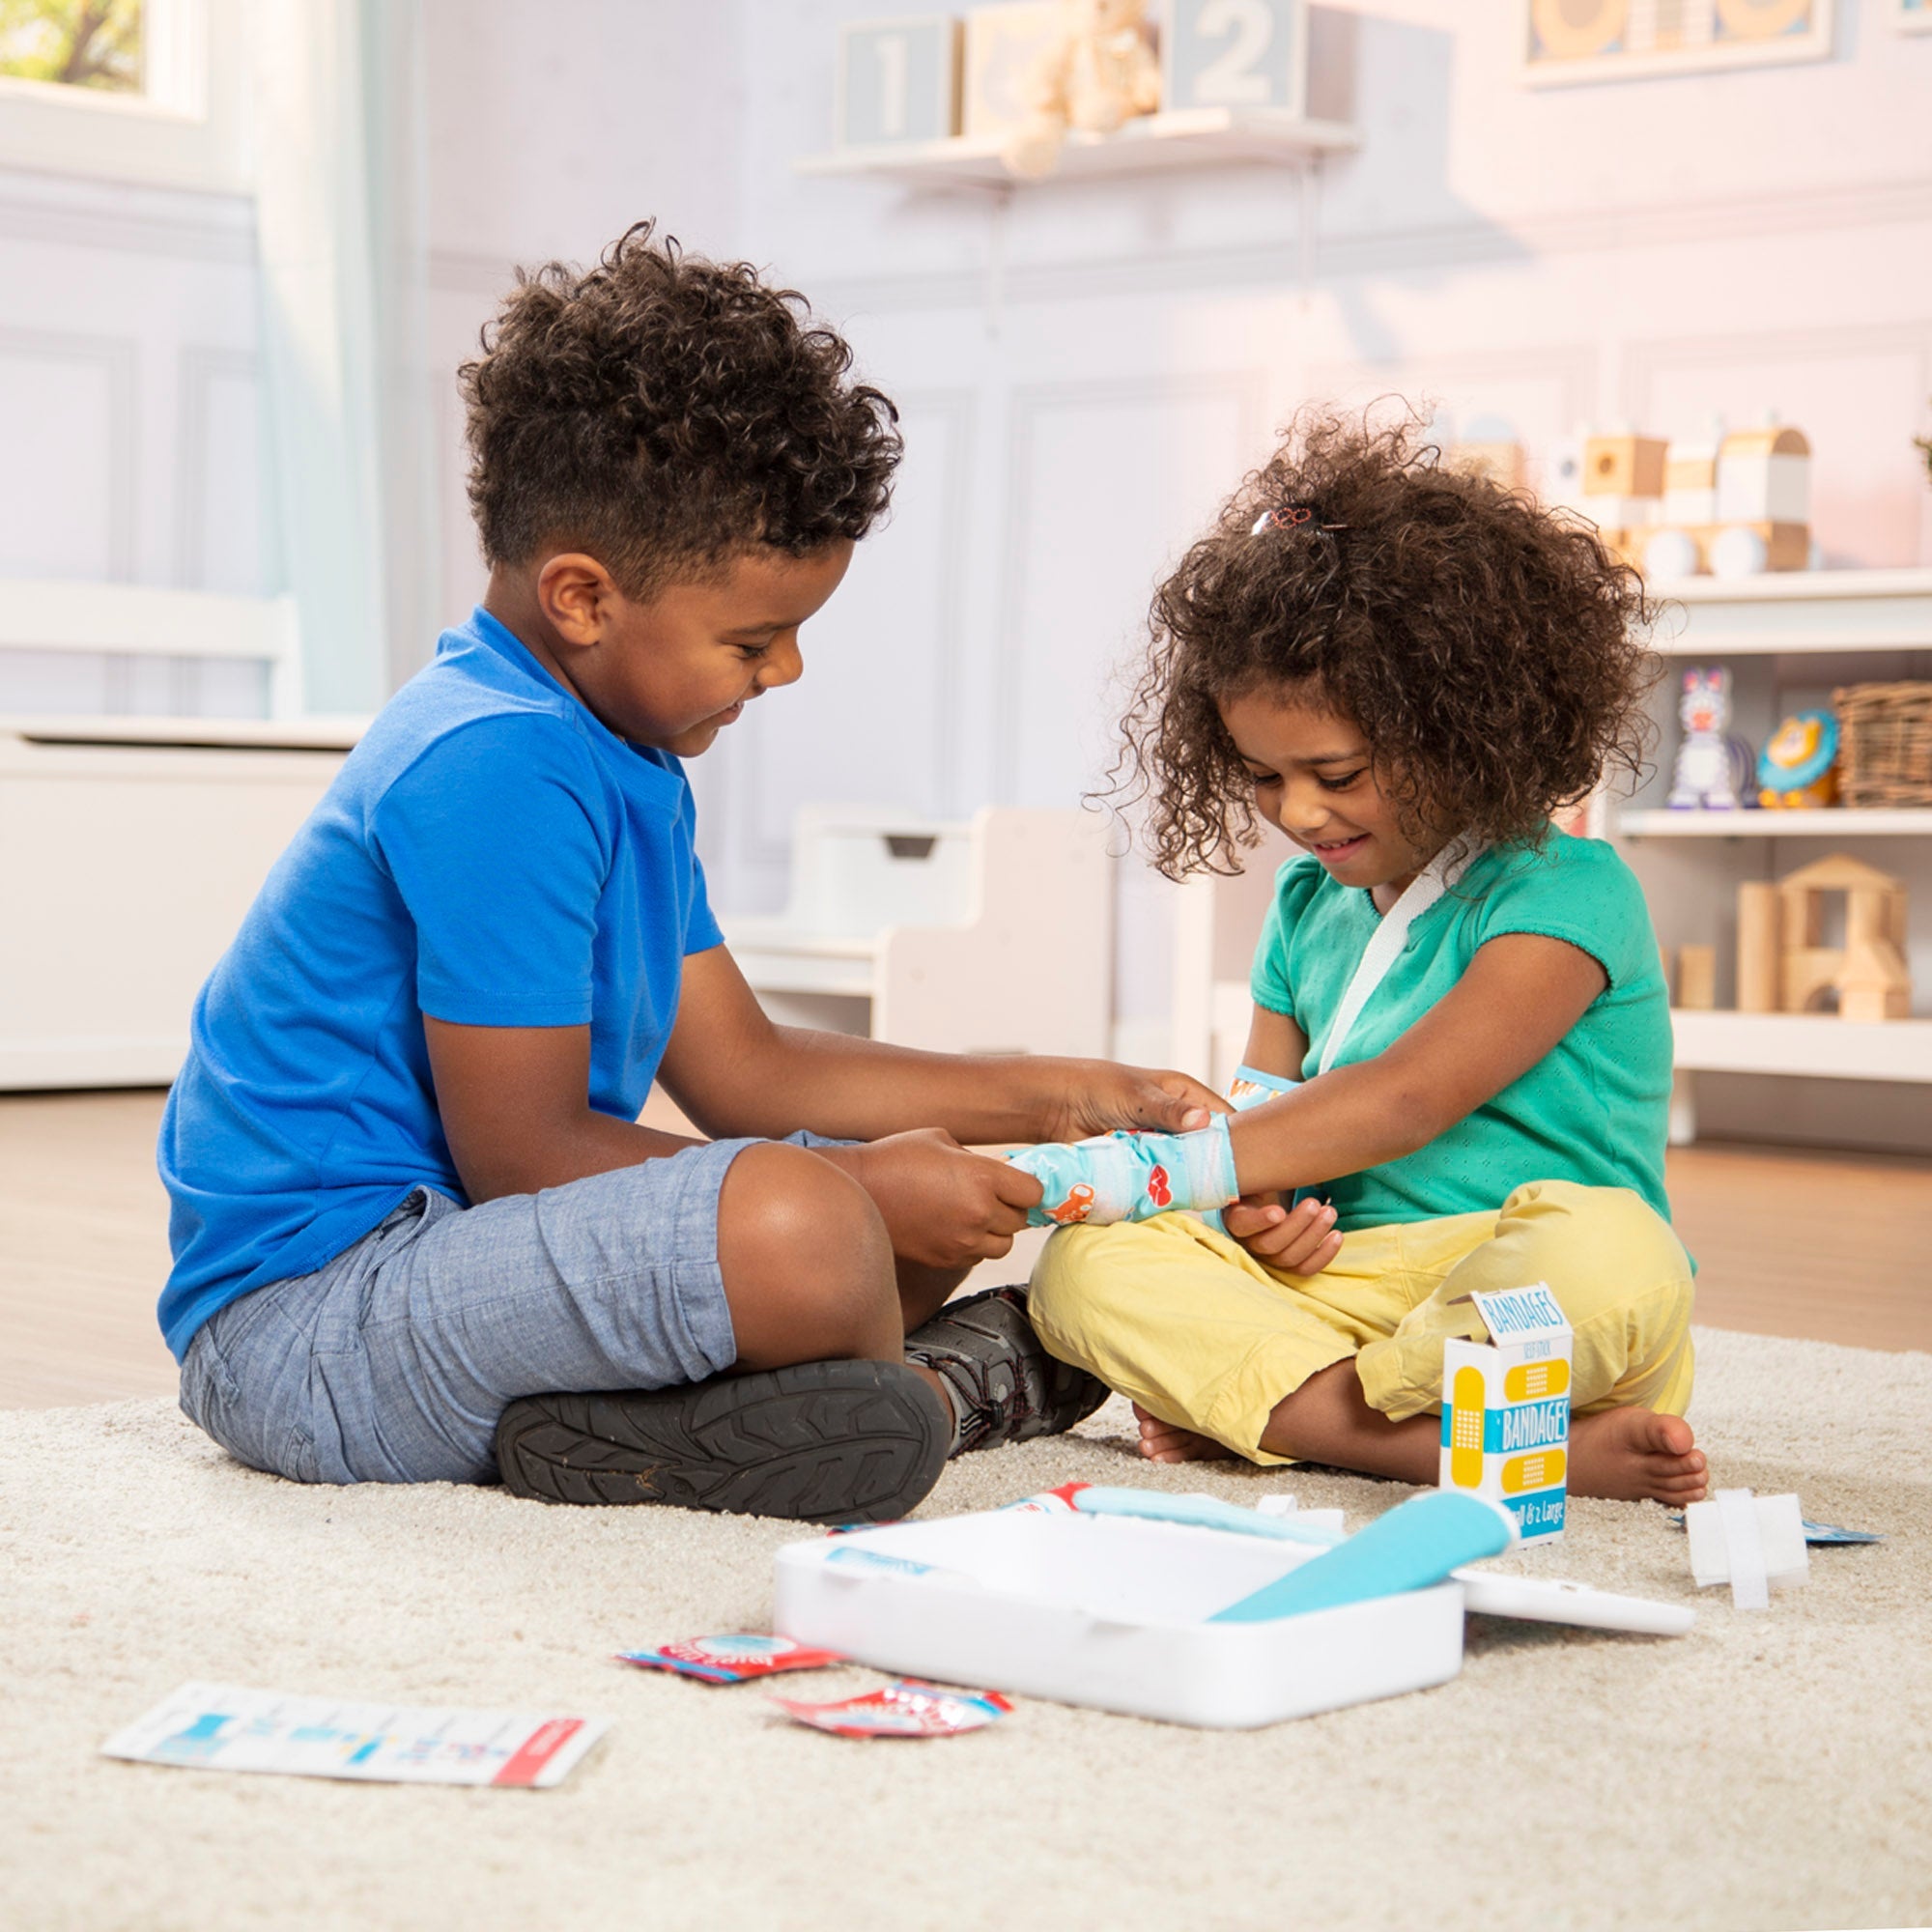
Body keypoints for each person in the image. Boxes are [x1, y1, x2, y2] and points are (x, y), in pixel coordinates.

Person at [157, 222, 1218, 1520]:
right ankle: (924, 1395)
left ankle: (660, 1428)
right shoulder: (498, 762)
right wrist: (858, 1192)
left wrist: (1067, 1096)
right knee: (816, 1218)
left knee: (856, 1178)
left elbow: (747, 1073)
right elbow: (524, 1150)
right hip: (310, 1330)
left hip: (455, 1272)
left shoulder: (620, 755)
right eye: (755, 638)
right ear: (585, 598)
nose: (785, 672)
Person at [1025, 411, 1710, 1506]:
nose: (1296, 813)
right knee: (1084, 1269)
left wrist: (1146, 1172)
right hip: (1342, 1293)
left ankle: (1298, 1411)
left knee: (1619, 1253)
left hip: (1511, 1292)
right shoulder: (1303, 907)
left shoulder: (1568, 891)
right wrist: (1251, 1213)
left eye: (1335, 772)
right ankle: (1440, 1439)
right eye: (1260, 774)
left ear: (1462, 725)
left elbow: (1402, 1099)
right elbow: (1262, 1120)